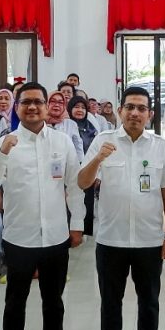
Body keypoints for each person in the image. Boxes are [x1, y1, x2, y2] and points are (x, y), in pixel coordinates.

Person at [0, 82, 85, 330]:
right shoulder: (7, 142)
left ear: (47, 106)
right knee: (15, 302)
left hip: (55, 236)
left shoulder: (62, 141)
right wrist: (1, 155)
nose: (32, 107)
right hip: (19, 238)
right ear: (17, 108)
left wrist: (77, 223)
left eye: (37, 102)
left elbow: (75, 184)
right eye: (25, 102)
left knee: (53, 303)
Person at [77, 86, 165, 330]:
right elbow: (83, 182)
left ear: (150, 114)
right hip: (111, 239)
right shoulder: (103, 141)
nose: (134, 113)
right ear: (120, 111)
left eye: (141, 108)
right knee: (111, 301)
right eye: (129, 107)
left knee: (149, 301)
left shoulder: (160, 146)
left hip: (149, 239)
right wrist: (97, 159)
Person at [69, 96, 98, 235]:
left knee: (86, 200)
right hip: (69, 170)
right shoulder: (65, 126)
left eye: (83, 108)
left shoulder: (91, 128)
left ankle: (84, 231)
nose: (80, 110)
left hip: (87, 169)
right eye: (76, 107)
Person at [45, 91, 83, 160]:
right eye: (53, 101)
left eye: (60, 102)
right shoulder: (40, 122)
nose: (56, 105)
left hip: (66, 163)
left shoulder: (71, 124)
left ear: (64, 105)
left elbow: (78, 146)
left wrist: (80, 163)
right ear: (47, 104)